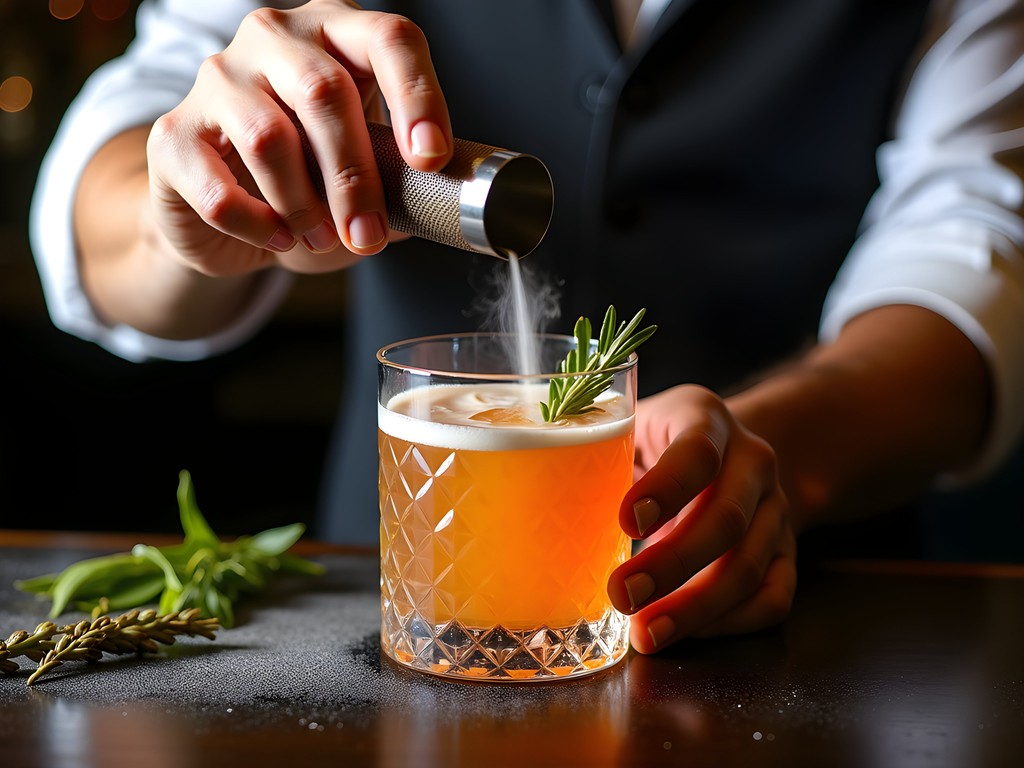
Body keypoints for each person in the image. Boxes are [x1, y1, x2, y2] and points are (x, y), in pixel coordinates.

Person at [30, 0, 1024, 653]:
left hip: (813, 637)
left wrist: (771, 452)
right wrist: (183, 217)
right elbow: (119, 165)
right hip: (376, 635)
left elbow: (972, 254)